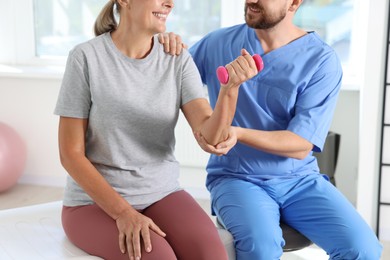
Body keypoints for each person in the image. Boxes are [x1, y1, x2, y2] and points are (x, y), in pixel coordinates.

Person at [159, 0, 383, 259]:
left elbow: (301, 144)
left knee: (363, 248)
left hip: (300, 181)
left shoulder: (321, 60)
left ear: (294, 3)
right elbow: (169, 77)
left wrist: (239, 133)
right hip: (237, 178)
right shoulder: (217, 43)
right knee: (261, 246)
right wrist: (164, 46)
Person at [53, 0, 260, 260]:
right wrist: (124, 213)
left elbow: (211, 138)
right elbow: (70, 154)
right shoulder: (85, 57)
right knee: (158, 256)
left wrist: (230, 90)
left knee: (211, 255)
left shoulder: (177, 58)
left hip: (161, 192)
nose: (170, 3)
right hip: (92, 204)